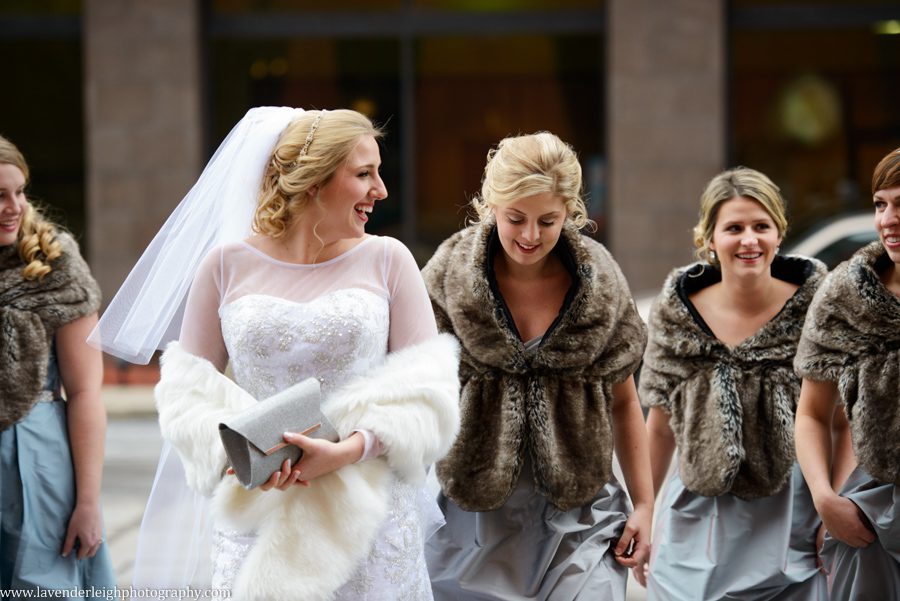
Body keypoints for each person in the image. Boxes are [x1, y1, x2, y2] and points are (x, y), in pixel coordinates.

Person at [90, 107, 460, 600]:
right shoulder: (224, 265)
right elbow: (187, 391)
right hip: (261, 511)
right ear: (314, 180)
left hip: (366, 518)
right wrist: (236, 456)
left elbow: (428, 393)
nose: (381, 190)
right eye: (364, 174)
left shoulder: (389, 260)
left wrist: (348, 451)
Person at [422, 132, 653, 600]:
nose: (530, 236)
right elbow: (412, 393)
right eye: (516, 219)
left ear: (570, 212)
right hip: (470, 519)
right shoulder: (448, 276)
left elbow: (625, 402)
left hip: (580, 515)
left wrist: (646, 504)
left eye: (548, 220)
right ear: (491, 205)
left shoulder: (600, 281)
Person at [638, 167, 829, 600]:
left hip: (790, 518)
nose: (749, 240)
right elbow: (661, 424)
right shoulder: (676, 313)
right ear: (709, 238)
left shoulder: (817, 308)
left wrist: (831, 506)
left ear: (779, 234)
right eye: (734, 228)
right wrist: (644, 512)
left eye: (761, 226)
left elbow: (837, 417)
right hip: (695, 518)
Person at [0, 135, 116, 593]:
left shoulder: (54, 263)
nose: (15, 207)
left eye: (20, 191)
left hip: (36, 462)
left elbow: (86, 391)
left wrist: (87, 502)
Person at [794, 147, 900, 599]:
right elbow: (813, 414)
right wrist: (825, 499)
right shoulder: (846, 293)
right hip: (871, 514)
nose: (888, 219)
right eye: (881, 204)